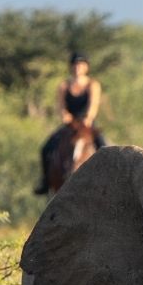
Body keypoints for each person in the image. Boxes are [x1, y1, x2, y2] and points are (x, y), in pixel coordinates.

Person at [34, 52, 107, 195]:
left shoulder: (93, 84)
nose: (77, 67)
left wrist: (88, 118)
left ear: (86, 67)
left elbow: (93, 105)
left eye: (80, 64)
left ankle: (110, 180)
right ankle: (45, 182)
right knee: (45, 148)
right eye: (75, 64)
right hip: (70, 125)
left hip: (87, 124)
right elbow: (61, 106)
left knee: (105, 146)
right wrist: (65, 116)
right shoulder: (64, 86)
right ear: (71, 67)